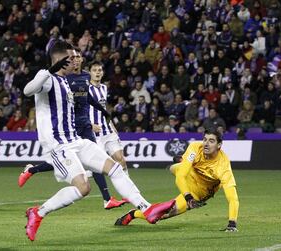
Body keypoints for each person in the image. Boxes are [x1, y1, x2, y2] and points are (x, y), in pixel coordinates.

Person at [23, 41, 175, 241]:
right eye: (71, 58)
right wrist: (48, 71)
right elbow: (27, 90)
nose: (75, 61)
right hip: (58, 146)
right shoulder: (48, 79)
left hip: (76, 140)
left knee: (116, 168)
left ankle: (147, 209)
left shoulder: (67, 81)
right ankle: (39, 212)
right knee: (83, 188)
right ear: (61, 60)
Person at [18, 49, 127, 209]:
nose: (75, 60)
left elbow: (87, 97)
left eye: (77, 57)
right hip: (69, 126)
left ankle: (107, 199)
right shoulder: (62, 77)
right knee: (69, 160)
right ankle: (32, 170)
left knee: (93, 161)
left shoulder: (84, 77)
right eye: (72, 57)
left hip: (85, 125)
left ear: (82, 60)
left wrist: (102, 111)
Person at [114, 129, 239, 232]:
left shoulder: (223, 167)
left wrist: (232, 223)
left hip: (198, 192)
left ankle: (133, 214)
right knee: (178, 169)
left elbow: (232, 198)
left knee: (162, 215)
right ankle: (180, 163)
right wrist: (188, 197)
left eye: (211, 141)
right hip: (188, 179)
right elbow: (181, 177)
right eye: (205, 139)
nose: (206, 143)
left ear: (219, 145)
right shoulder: (196, 147)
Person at [88, 62, 128, 172]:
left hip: (108, 131)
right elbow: (78, 110)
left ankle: (127, 187)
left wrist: (111, 124)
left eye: (99, 70)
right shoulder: (85, 89)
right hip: (95, 133)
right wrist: (89, 125)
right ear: (90, 73)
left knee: (121, 160)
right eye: (94, 70)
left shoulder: (104, 88)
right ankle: (89, 172)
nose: (97, 72)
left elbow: (105, 108)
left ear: (102, 73)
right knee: (100, 167)